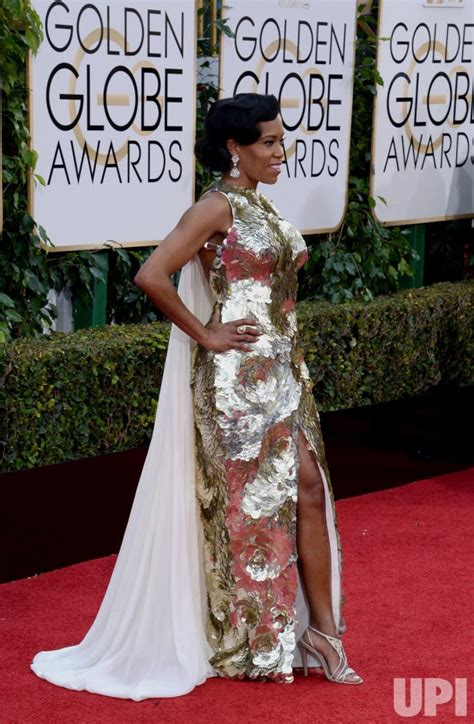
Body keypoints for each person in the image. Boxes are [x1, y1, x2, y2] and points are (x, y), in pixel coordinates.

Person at [31, 93, 362, 699]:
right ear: (234, 149)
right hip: (239, 383)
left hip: (285, 373)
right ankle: (257, 640)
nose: (281, 151)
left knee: (309, 489)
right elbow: (151, 274)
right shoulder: (214, 208)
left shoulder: (256, 204)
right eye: (268, 142)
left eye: (282, 139)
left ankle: (323, 632)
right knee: (255, 513)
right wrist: (207, 333)